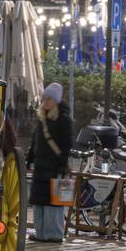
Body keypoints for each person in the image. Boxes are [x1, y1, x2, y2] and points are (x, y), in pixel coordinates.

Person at [27, 82, 73, 242]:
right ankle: (40, 233)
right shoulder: (41, 118)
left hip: (54, 167)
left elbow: (67, 144)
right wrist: (29, 158)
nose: (45, 102)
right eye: (44, 98)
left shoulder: (64, 120)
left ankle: (54, 234)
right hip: (40, 166)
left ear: (56, 101)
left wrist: (62, 163)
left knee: (54, 202)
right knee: (39, 202)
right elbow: (35, 141)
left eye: (49, 99)